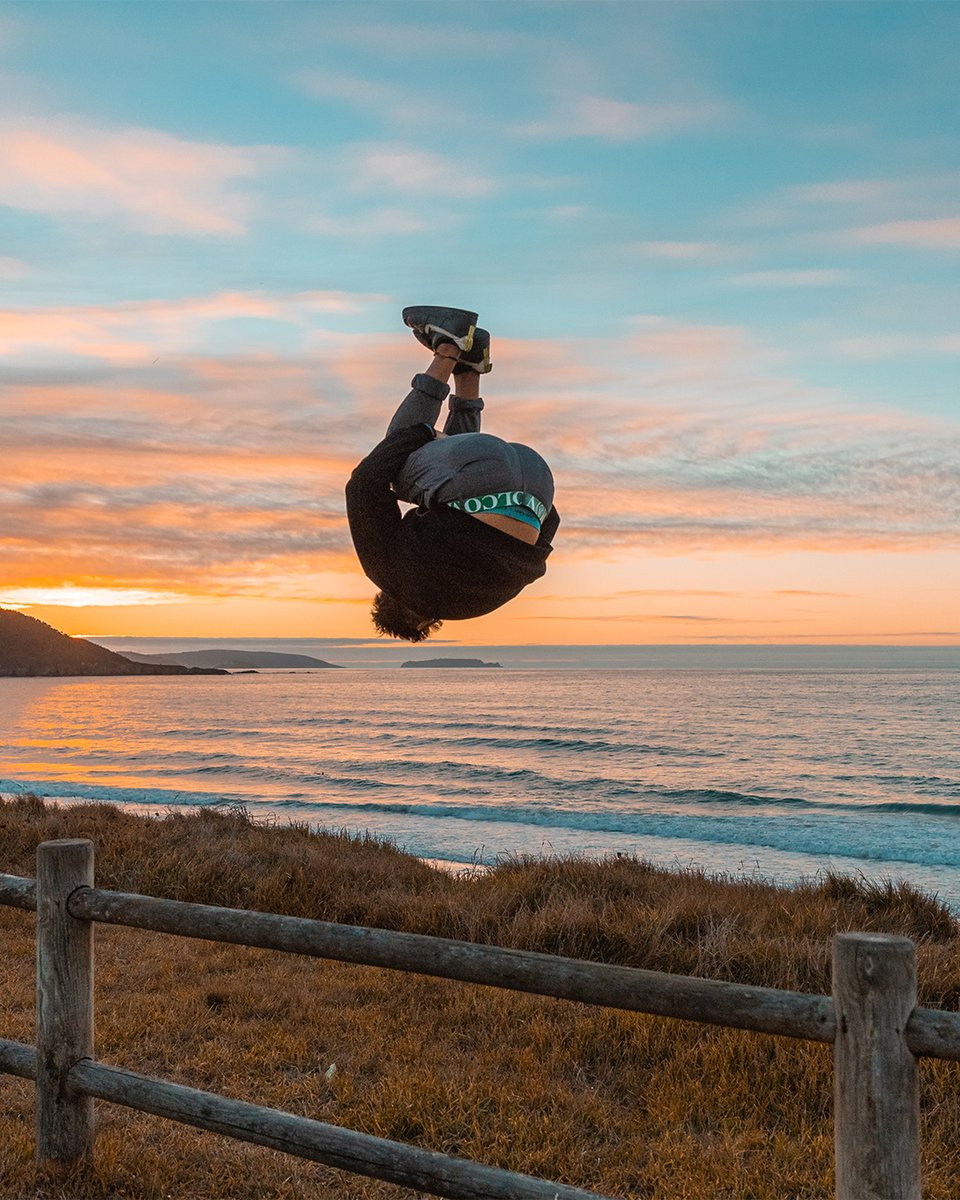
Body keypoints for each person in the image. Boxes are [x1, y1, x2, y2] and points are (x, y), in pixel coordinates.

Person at [345, 305, 559, 642]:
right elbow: (363, 485)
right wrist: (420, 435)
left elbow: (547, 533)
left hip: (536, 480)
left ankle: (470, 369)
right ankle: (448, 347)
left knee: (449, 486)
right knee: (391, 468)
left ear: (427, 621)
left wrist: (527, 499)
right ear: (388, 598)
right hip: (477, 479)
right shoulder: (391, 575)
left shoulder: (482, 603)